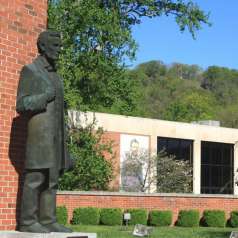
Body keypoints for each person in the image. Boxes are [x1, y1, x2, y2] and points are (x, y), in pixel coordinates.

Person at [16, 30, 73, 233]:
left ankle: (48, 219)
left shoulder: (56, 76)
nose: (59, 50)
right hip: (39, 137)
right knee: (36, 179)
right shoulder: (30, 70)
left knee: (52, 179)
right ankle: (28, 221)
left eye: (59, 46)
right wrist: (44, 97)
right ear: (42, 47)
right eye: (55, 46)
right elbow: (22, 104)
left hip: (56, 136)